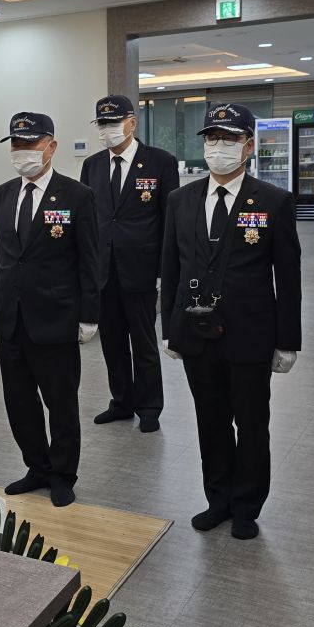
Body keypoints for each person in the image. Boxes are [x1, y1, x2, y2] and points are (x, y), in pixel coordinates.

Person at [160, 103, 301, 540]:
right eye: (211, 138)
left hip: (250, 333)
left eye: (229, 138)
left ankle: (246, 506)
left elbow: (288, 277)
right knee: (211, 420)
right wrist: (169, 329)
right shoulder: (180, 200)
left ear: (249, 146)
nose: (218, 147)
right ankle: (218, 499)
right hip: (195, 333)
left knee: (252, 423)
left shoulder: (273, 201)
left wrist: (288, 341)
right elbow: (170, 269)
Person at [0, 112, 99, 507]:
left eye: (29, 143)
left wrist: (89, 314)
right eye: (16, 144)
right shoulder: (1, 194)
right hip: (11, 318)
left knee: (60, 403)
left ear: (51, 146)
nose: (22, 151)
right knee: (19, 402)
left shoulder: (77, 196)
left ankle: (63, 474)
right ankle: (37, 466)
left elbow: (89, 259)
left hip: (56, 317)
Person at [80, 94, 179, 432]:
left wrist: (165, 271)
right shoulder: (92, 165)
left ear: (132, 123)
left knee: (143, 341)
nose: (107, 129)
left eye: (114, 122)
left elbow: (169, 221)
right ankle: (121, 401)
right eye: (102, 123)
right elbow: (88, 219)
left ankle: (149, 406)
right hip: (103, 269)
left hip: (141, 268)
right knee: (112, 342)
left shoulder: (160, 162)